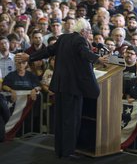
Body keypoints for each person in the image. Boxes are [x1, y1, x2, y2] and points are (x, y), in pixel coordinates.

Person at [15, 28, 109, 158]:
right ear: (84, 31)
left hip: (60, 86)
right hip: (73, 88)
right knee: (71, 121)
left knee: (60, 119)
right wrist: (98, 59)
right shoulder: (80, 40)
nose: (90, 35)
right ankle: (68, 152)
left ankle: (59, 149)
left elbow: (48, 51)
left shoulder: (64, 38)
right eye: (89, 31)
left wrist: (31, 57)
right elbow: (84, 53)